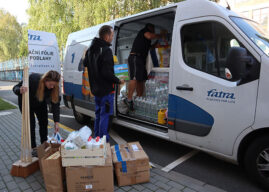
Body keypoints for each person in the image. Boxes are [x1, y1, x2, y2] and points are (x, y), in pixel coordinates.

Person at [83, 25, 124, 141]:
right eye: (111, 35)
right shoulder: (106, 50)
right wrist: (118, 80)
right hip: (106, 90)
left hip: (96, 89)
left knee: (98, 115)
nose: (112, 37)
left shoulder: (91, 49)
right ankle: (101, 142)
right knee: (105, 116)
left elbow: (85, 63)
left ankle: (97, 138)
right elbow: (106, 73)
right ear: (106, 36)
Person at [13, 70, 61, 155]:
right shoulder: (33, 79)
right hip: (27, 103)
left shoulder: (55, 87)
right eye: (51, 84)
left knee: (44, 123)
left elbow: (55, 105)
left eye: (54, 85)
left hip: (40, 103)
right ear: (46, 80)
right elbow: (15, 87)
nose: (52, 87)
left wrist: (56, 122)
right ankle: (33, 147)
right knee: (31, 125)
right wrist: (19, 90)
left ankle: (44, 144)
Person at [126, 23, 163, 110]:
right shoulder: (144, 31)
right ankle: (129, 99)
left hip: (141, 59)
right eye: (153, 28)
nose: (154, 31)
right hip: (135, 57)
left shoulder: (146, 40)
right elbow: (150, 36)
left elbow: (151, 47)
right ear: (149, 27)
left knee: (141, 80)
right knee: (134, 78)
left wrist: (158, 43)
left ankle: (139, 99)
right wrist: (161, 35)